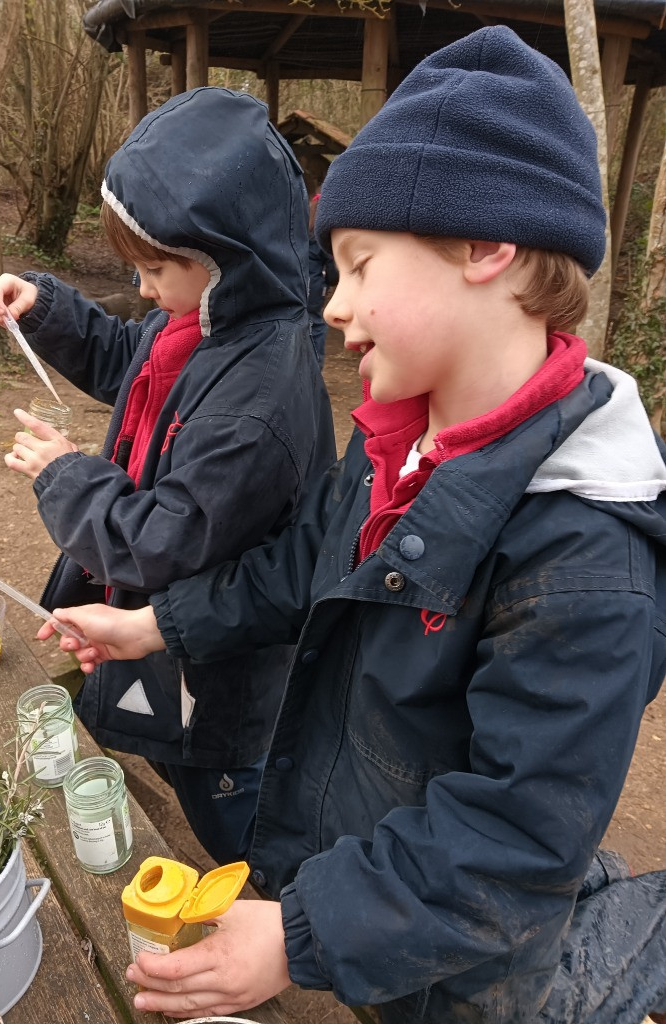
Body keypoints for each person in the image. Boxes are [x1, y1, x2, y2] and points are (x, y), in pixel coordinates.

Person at [39, 28, 666, 1024]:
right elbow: (298, 565)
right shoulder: (397, 446)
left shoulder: (584, 559)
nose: (334, 306)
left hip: (469, 975)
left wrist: (298, 934)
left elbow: (510, 836)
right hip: (371, 905)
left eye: (362, 265)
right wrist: (158, 626)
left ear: (488, 247)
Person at [0, 87, 336, 866]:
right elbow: (128, 360)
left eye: (151, 269)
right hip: (170, 650)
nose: (141, 288)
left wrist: (66, 474)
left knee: (229, 805)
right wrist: (46, 310)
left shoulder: (255, 401)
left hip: (222, 677)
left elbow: (161, 541)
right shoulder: (206, 326)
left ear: (222, 259)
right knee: (176, 760)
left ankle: (290, 899)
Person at [307, 192, 338, 366]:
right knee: (316, 326)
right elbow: (333, 273)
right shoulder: (322, 239)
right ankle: (315, 367)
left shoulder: (297, 231)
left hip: (293, 287)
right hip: (313, 290)